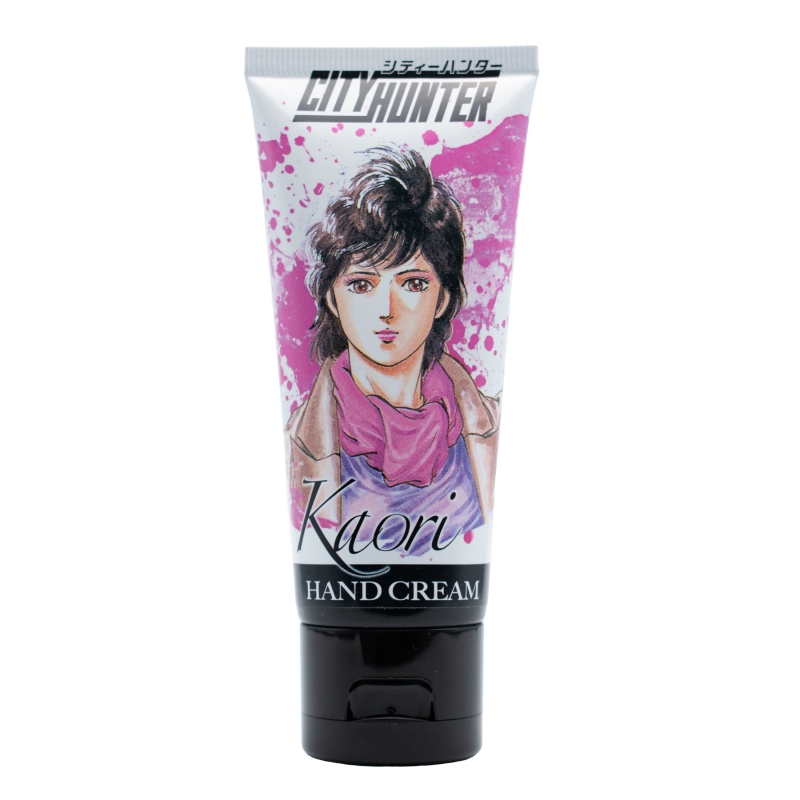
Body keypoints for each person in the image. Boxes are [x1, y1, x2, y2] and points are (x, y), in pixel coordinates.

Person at [287, 146, 499, 555]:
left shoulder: (493, 423)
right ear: (332, 299)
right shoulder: (293, 445)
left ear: (442, 299)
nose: (386, 310)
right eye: (362, 284)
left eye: (413, 283)